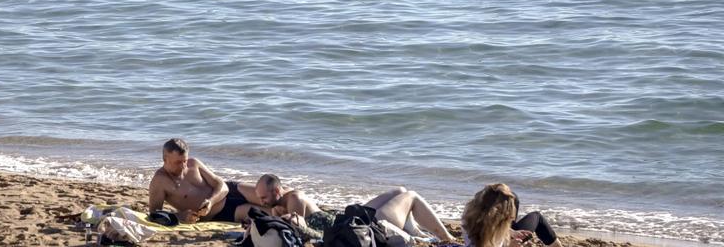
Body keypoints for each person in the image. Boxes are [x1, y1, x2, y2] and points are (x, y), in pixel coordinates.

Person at [240, 174, 456, 242]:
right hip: (355, 226)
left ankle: (446, 238)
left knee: (405, 193)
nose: (262, 201)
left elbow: (305, 233)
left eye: (264, 197)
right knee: (405, 193)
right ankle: (435, 236)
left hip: (358, 224)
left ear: (277, 191)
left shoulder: (294, 199)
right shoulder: (281, 205)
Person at [147, 138, 250, 223]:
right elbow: (154, 214)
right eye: (178, 162)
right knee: (260, 212)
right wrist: (180, 216)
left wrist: (210, 201)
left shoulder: (193, 163)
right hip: (221, 212)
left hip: (227, 190)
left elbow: (221, 184)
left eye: (185, 161)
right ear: (165, 159)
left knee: (264, 194)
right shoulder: (160, 181)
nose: (183, 166)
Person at [462, 183, 562, 247]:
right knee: (537, 217)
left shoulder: (469, 214)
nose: (512, 217)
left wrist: (511, 232)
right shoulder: (488, 239)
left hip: (496, 235)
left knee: (514, 198)